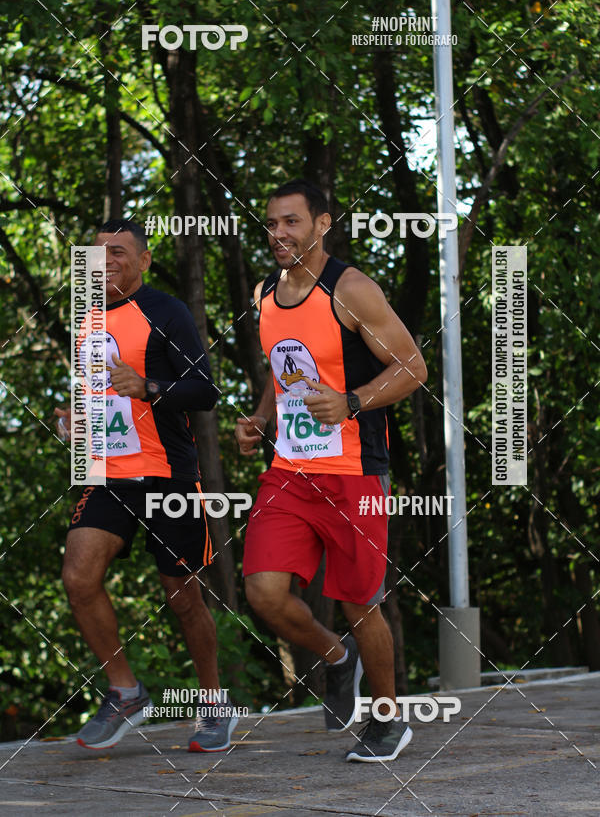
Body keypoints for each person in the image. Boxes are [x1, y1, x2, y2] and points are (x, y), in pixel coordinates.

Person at [235, 180, 427, 762]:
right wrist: (263, 419)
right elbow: (281, 371)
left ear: (322, 224)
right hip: (290, 471)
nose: (278, 234)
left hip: (353, 473)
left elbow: (413, 368)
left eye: (291, 222)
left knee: (358, 601)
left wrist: (350, 401)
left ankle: (389, 721)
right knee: (263, 593)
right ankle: (336, 658)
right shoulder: (264, 293)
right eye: (271, 224)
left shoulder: (351, 290)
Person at [55, 219, 235, 753]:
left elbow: (206, 391)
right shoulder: (84, 317)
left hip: (166, 472)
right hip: (107, 474)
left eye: (117, 252)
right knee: (78, 576)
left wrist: (150, 386)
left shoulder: (166, 311)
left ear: (144, 260)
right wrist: (74, 420)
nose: (105, 260)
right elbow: (93, 392)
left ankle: (213, 703)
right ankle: (126, 691)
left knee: (182, 596)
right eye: (97, 253)